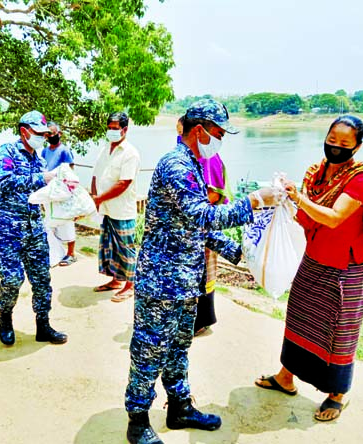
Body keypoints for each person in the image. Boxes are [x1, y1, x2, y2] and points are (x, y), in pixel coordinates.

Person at [124, 99, 278, 444]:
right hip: (161, 281)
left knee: (179, 347)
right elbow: (202, 216)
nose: (221, 139)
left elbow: (196, 228)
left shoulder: (193, 163)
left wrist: (238, 251)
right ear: (200, 130)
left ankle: (179, 407)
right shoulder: (176, 165)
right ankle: (137, 420)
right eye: (219, 133)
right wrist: (253, 202)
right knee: (149, 350)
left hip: (185, 280)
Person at [255, 115, 363, 422]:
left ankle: (336, 395)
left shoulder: (362, 178)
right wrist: (286, 198)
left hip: (344, 267)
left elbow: (334, 217)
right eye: (332, 140)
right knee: (298, 318)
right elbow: (308, 217)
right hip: (314, 258)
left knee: (338, 331)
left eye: (345, 143)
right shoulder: (316, 174)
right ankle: (285, 377)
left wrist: (300, 199)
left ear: (357, 147)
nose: (336, 147)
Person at [0, 110, 67, 346]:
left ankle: (43, 325)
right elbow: (4, 183)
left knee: (42, 278)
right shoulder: (7, 151)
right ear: (24, 132)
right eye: (39, 133)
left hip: (34, 228)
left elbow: (41, 193)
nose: (43, 137)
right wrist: (42, 178)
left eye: (45, 134)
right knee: (12, 279)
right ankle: (5, 316)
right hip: (8, 229)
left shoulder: (40, 157)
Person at [91, 112, 140, 302]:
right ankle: (116, 280)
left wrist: (99, 198)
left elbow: (124, 183)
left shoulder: (130, 153)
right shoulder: (105, 149)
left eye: (115, 129)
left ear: (125, 129)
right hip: (106, 208)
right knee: (109, 246)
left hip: (122, 210)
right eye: (109, 128)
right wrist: (95, 197)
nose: (111, 132)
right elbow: (96, 174)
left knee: (126, 248)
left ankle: (131, 284)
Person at [194, 151, 232, 336]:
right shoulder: (190, 155)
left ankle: (202, 320)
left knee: (204, 271)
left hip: (205, 222)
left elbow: (214, 193)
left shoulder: (208, 158)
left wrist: (190, 208)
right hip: (194, 224)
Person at [41, 121, 77, 266]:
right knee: (50, 221)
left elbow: (70, 171)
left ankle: (71, 253)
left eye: (52, 133)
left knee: (66, 221)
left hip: (62, 191)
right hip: (49, 191)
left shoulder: (64, 151)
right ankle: (56, 252)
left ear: (59, 134)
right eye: (48, 134)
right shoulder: (44, 151)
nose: (50, 136)